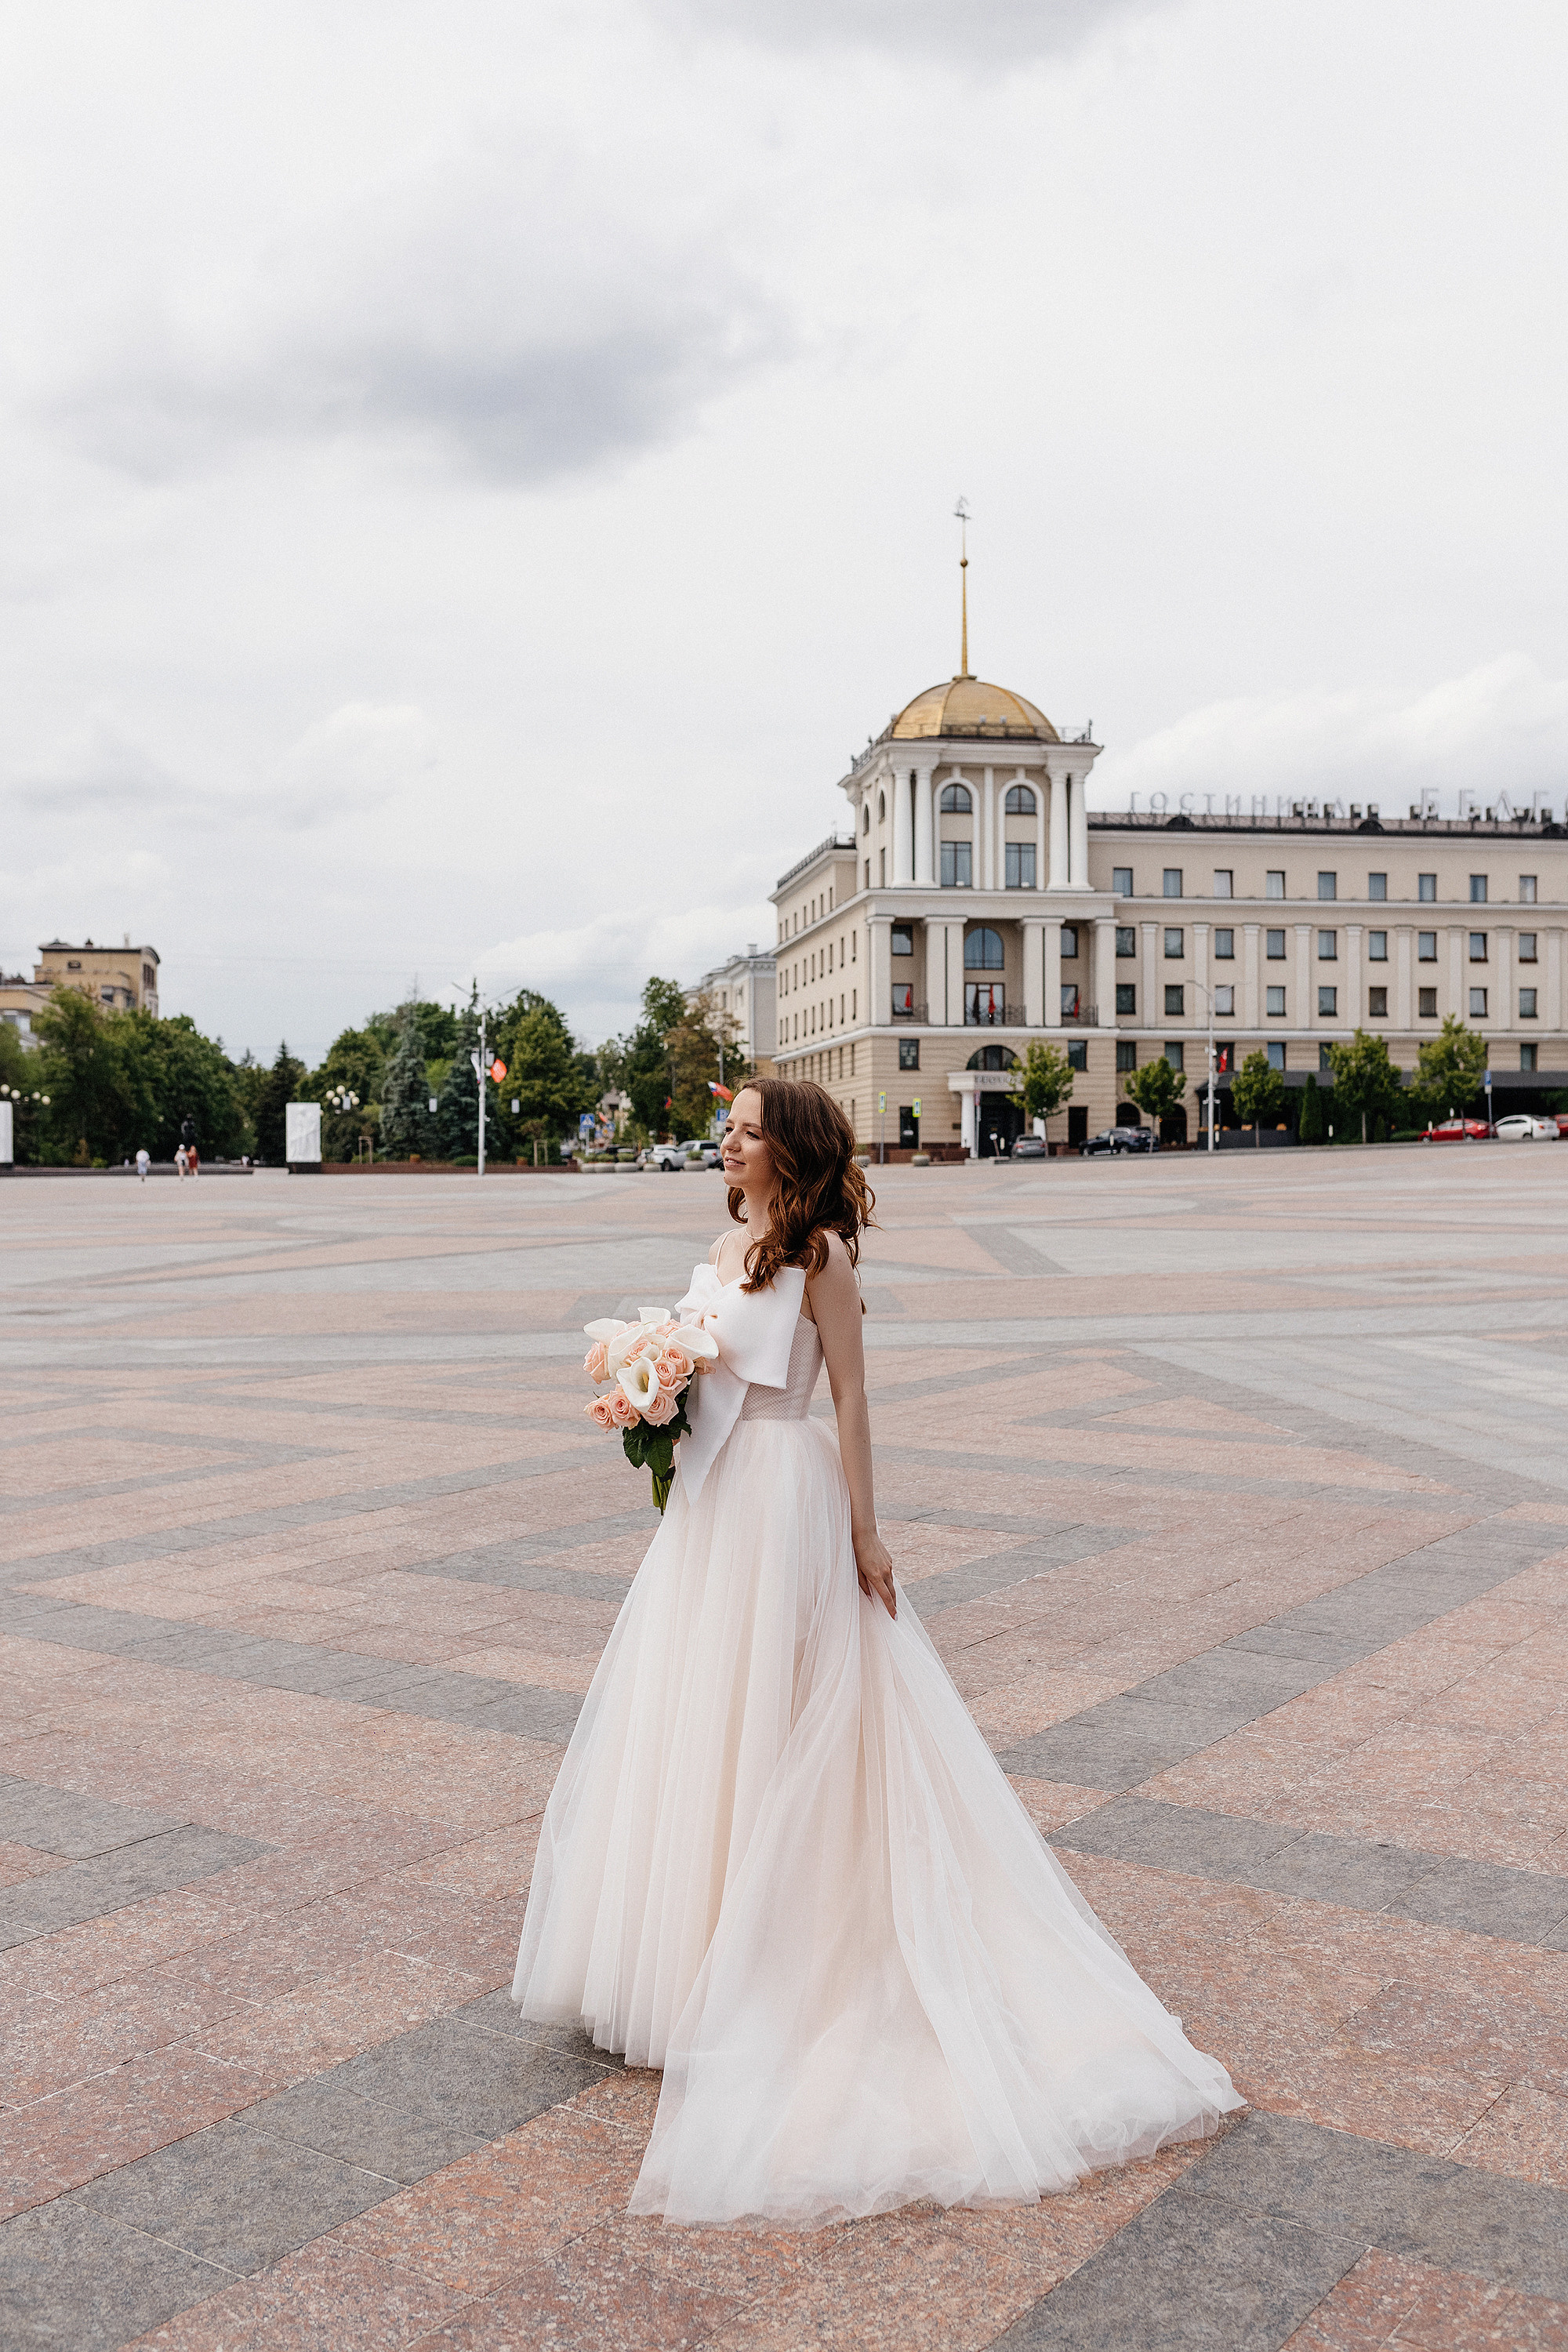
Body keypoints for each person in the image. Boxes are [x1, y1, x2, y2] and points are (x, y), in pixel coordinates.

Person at [513, 1077, 1240, 2228]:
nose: (729, 1143)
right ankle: (685, 1956)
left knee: (788, 1704)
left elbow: (850, 1402)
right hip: (711, 1508)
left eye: (749, 1132)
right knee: (701, 1708)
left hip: (786, 1495)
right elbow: (702, 1364)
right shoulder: (725, 1239)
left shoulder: (825, 1261)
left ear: (788, 1150)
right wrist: (649, 1391)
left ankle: (778, 1962)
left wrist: (864, 1528)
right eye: (730, 1128)